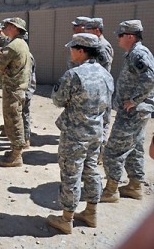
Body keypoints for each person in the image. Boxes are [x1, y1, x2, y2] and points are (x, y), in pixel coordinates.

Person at [47, 33, 114, 234]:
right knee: (91, 170)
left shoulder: (74, 74)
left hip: (75, 134)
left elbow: (58, 100)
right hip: (95, 132)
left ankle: (66, 219)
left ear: (81, 50)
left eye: (72, 48)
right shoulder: (106, 74)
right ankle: (91, 212)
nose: (70, 52)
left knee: (70, 173)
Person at [101, 20, 154, 202]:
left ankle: (111, 190)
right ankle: (135, 186)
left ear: (130, 36)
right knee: (134, 148)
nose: (117, 38)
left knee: (112, 151)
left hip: (133, 112)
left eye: (120, 35)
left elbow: (149, 79)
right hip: (137, 111)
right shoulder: (134, 53)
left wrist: (134, 100)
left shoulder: (138, 53)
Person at [0, 17, 32, 167]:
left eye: (8, 26)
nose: (5, 27)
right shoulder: (21, 44)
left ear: (16, 28)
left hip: (12, 88)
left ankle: (16, 155)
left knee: (13, 120)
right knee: (15, 118)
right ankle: (15, 150)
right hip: (18, 88)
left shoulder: (14, 46)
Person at [84, 18, 114, 165]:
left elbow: (104, 71)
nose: (85, 32)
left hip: (102, 92)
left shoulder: (102, 46)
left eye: (88, 29)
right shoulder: (96, 44)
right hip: (96, 91)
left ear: (97, 30)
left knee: (102, 122)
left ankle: (100, 155)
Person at [23, 33, 37, 148]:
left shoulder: (27, 55)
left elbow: (27, 76)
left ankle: (25, 139)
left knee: (24, 114)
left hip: (25, 90)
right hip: (25, 89)